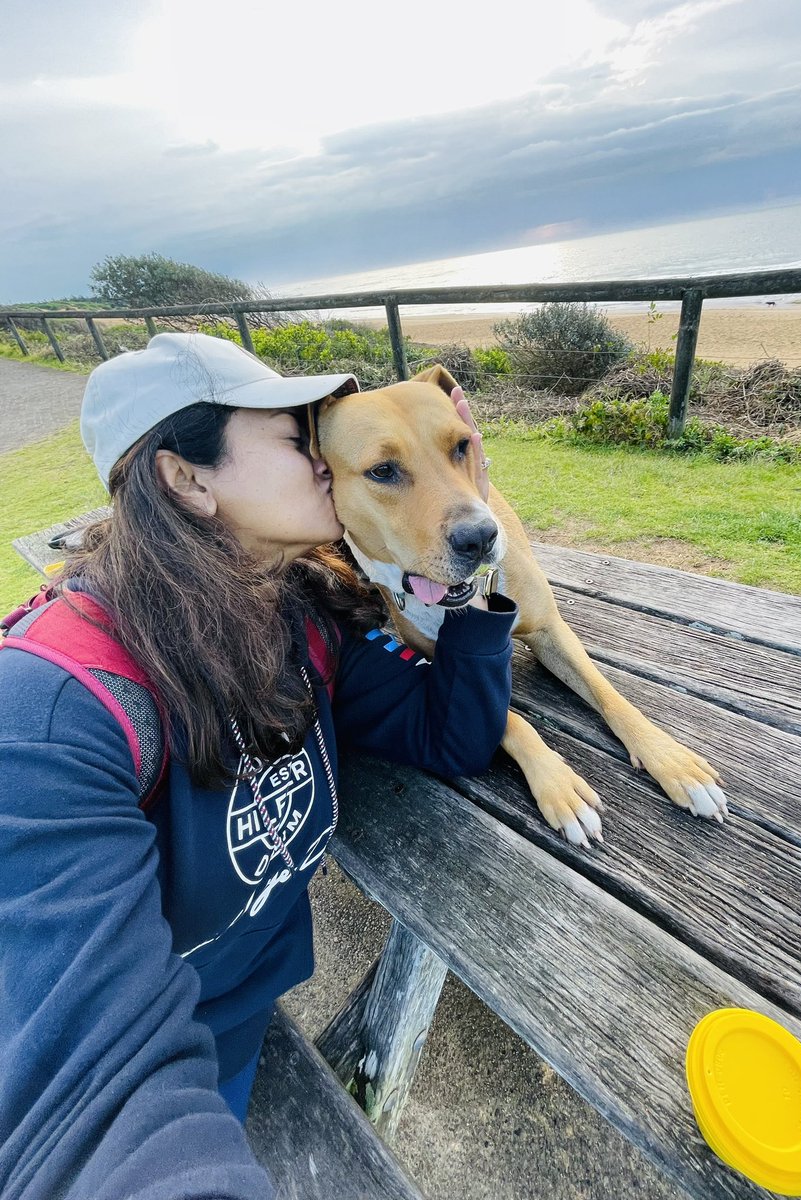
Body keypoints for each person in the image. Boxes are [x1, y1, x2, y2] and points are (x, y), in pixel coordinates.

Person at [0, 332, 516, 1200]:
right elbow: (89, 1100)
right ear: (188, 480)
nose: (323, 452)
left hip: (240, 1022)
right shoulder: (49, 713)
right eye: (289, 432)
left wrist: (468, 523)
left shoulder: (298, 611)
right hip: (167, 1073)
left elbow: (449, 733)